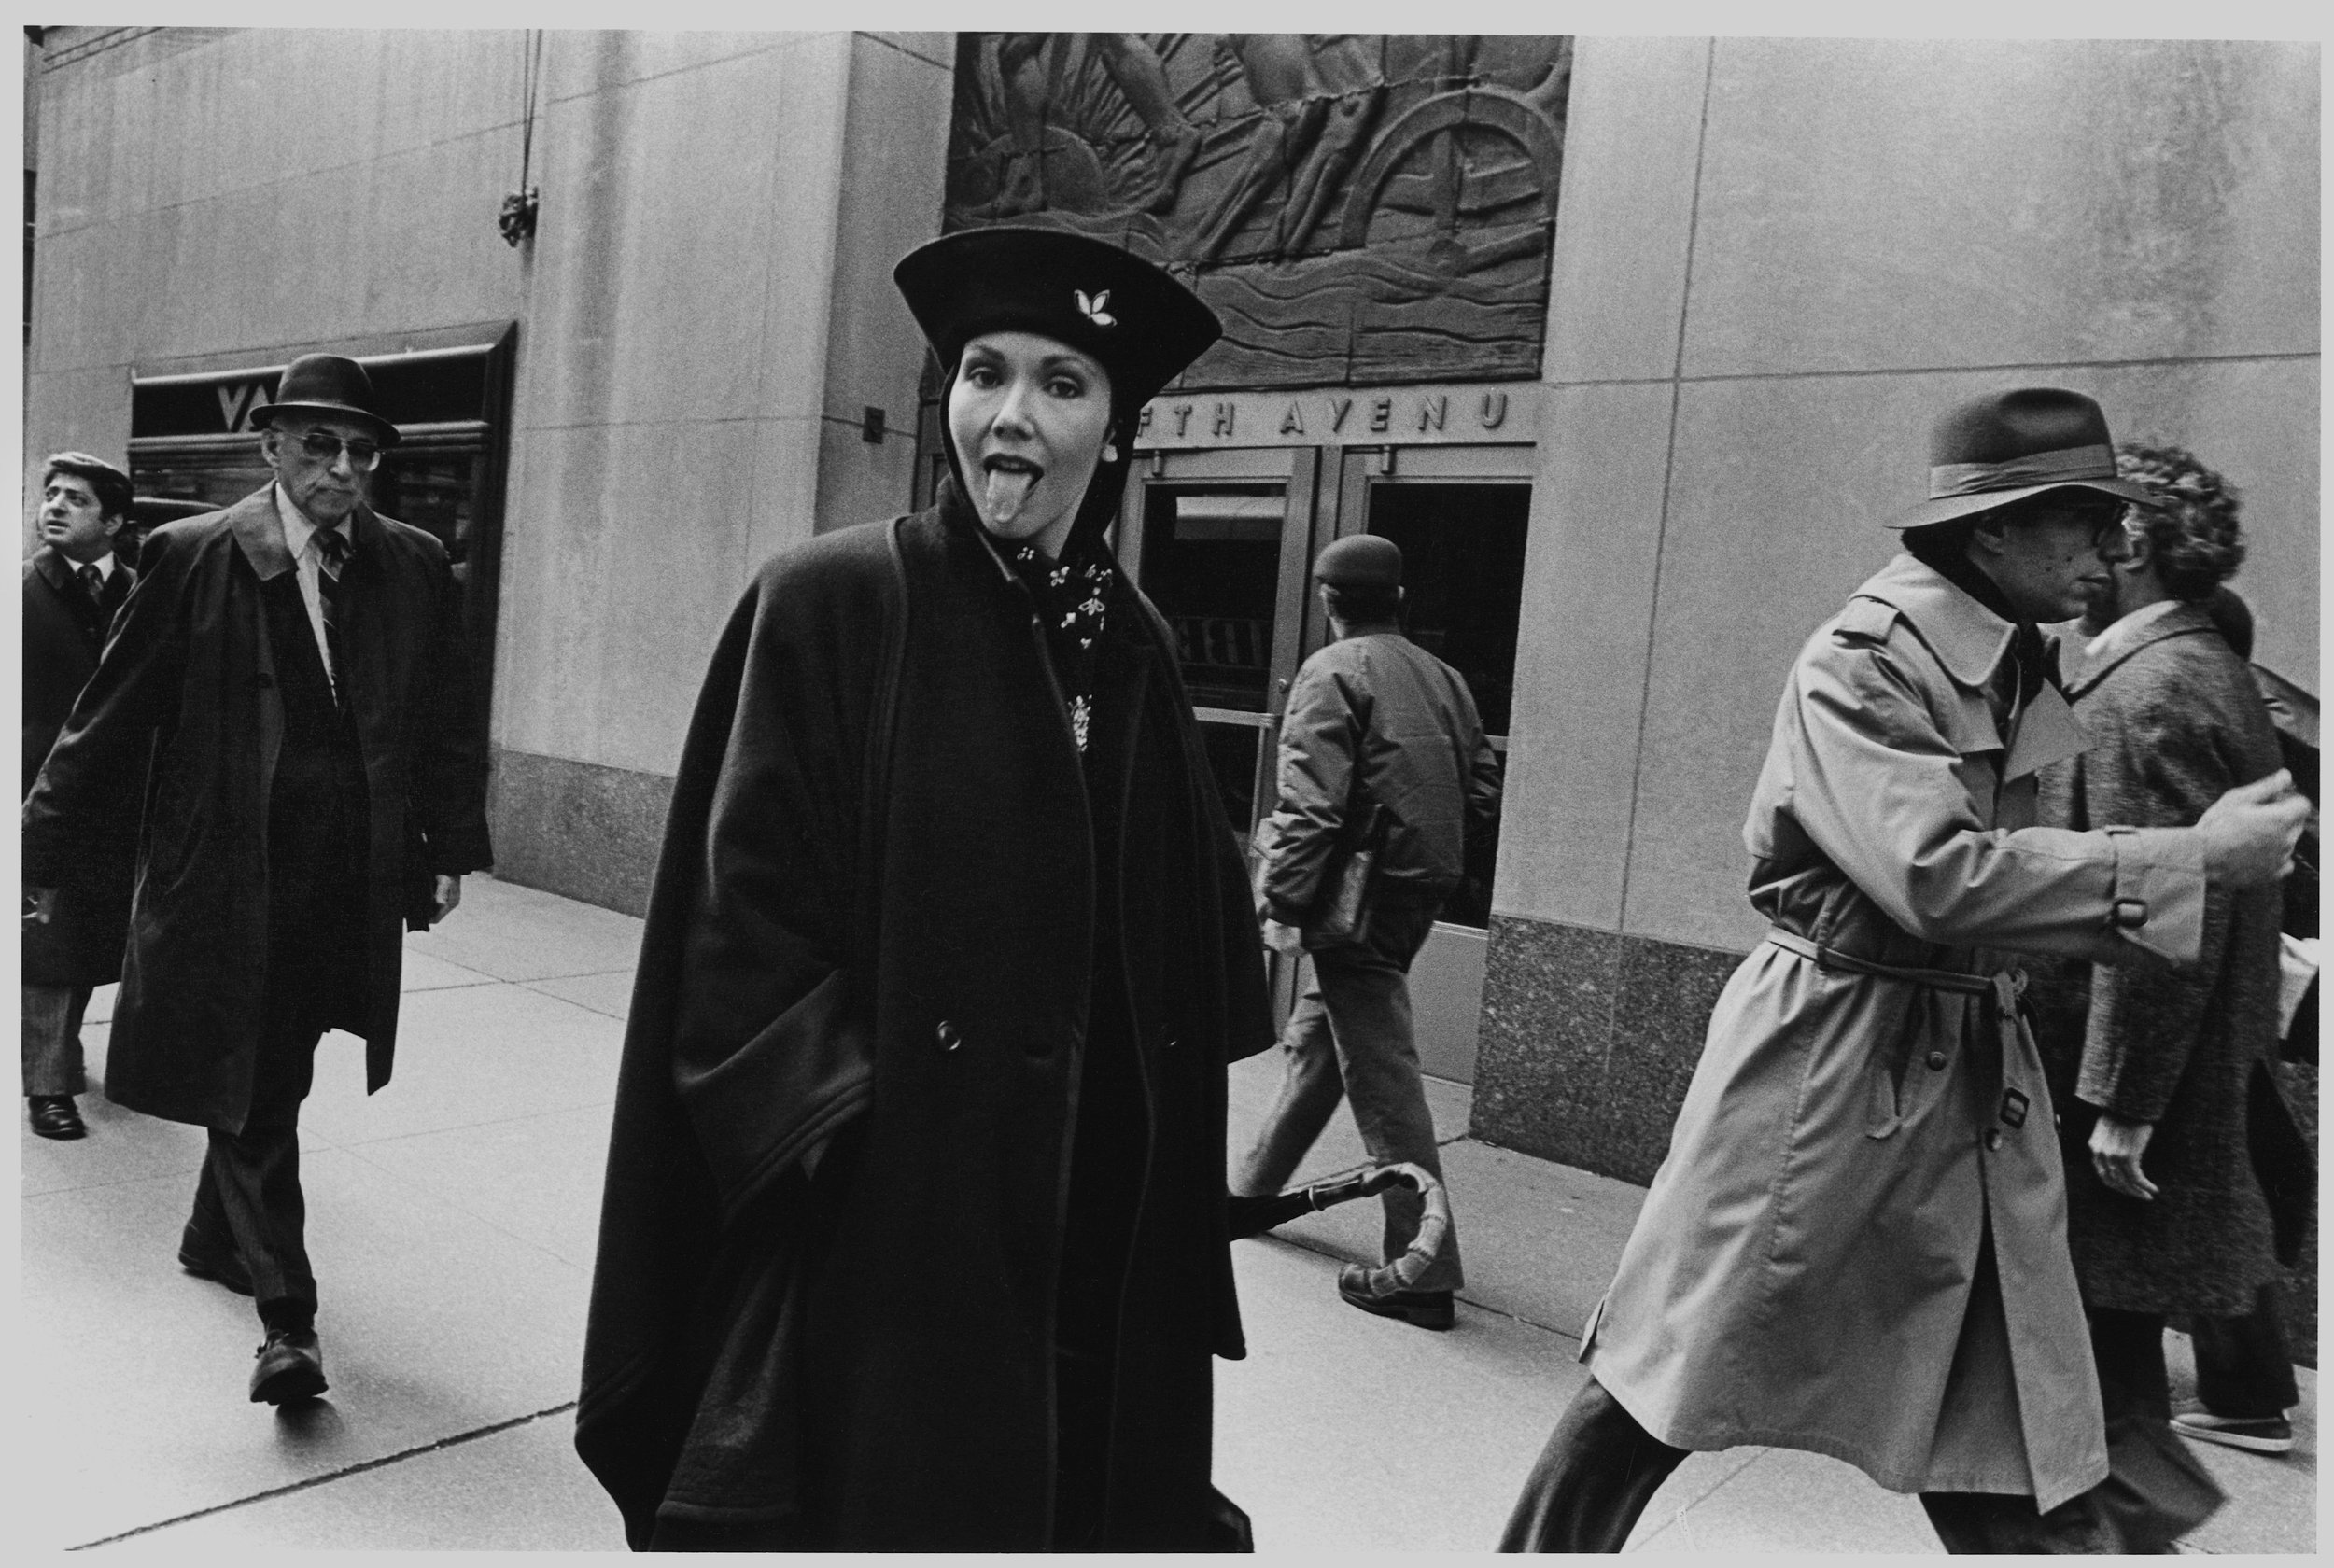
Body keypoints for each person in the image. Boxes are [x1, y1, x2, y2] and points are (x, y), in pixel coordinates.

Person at [1496, 387, 2310, 1554]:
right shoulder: (1867, 657)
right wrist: (2194, 858)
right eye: (2080, 521)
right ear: (1993, 532)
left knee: (2016, 1423)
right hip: (1828, 1075)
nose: (2107, 549)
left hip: (1962, 1077)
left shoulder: (2008, 655)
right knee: (1661, 1378)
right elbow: (1937, 876)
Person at [573, 227, 1275, 1551]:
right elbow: (739, 938)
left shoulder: (1136, 648)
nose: (1011, 415)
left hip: (1086, 1240)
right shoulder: (830, 601)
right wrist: (852, 1135)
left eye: (1062, 383)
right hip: (886, 1249)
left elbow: (1184, 953)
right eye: (983, 372)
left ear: (1115, 429)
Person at [21, 355, 492, 1407]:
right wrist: (39, 842)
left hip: (350, 873)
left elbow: (446, 719)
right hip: (227, 867)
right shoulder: (193, 555)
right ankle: (289, 1321)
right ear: (272, 447)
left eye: (361, 452)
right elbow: (110, 712)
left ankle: (213, 1237)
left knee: (279, 1060)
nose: (342, 468)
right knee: (252, 1069)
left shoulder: (411, 561)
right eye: (319, 445)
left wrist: (449, 845)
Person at [2031, 450, 2308, 1462]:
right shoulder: (2197, 669)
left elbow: (2157, 923)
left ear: (2132, 543)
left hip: (2118, 1093)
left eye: (2087, 531)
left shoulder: (2141, 691)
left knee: (2102, 1381)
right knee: (2104, 1370)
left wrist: (2123, 1100)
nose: (2067, 558)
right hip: (2157, 1084)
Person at [1233, 531, 1499, 1330]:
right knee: (1323, 1039)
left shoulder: (1331, 672)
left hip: (1355, 897)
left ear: (1326, 601)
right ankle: (1247, 1195)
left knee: (1380, 1069)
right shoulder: (1442, 675)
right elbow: (1482, 787)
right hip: (1418, 886)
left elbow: (1311, 809)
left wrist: (1279, 901)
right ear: (1399, 601)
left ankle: (1423, 1268)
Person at [21, 452, 138, 1141]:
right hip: (43, 793)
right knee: (45, 942)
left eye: (77, 499)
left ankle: (60, 1055)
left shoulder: (141, 588)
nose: (57, 507)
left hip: (123, 799)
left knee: (97, 936)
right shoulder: (19, 591)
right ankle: (48, 1084)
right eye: (52, 495)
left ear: (115, 521)